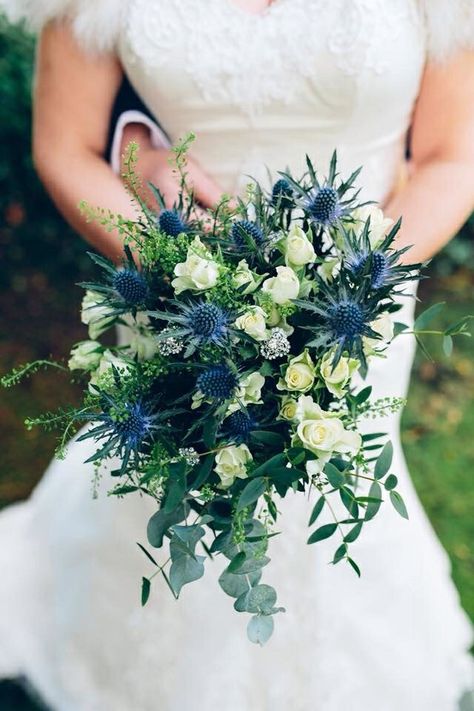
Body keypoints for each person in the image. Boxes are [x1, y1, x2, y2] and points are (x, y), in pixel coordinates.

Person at [0, 1, 473, 709]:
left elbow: (452, 155)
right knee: (171, 485)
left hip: (352, 311)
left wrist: (351, 280)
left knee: (333, 498)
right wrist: (165, 251)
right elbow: (65, 143)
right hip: (180, 301)